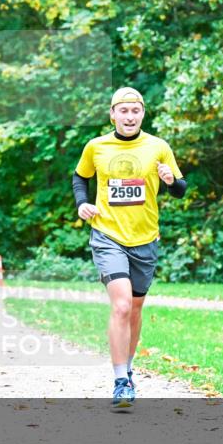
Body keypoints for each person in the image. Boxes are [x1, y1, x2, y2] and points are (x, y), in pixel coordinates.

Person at [72, 87, 186, 408]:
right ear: (112, 114)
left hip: (146, 239)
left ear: (142, 114)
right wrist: (83, 203)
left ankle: (130, 367)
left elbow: (180, 189)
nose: (129, 116)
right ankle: (121, 380)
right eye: (123, 111)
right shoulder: (96, 147)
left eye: (135, 111)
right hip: (107, 235)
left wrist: (170, 181)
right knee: (121, 305)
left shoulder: (158, 147)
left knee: (135, 309)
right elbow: (80, 178)